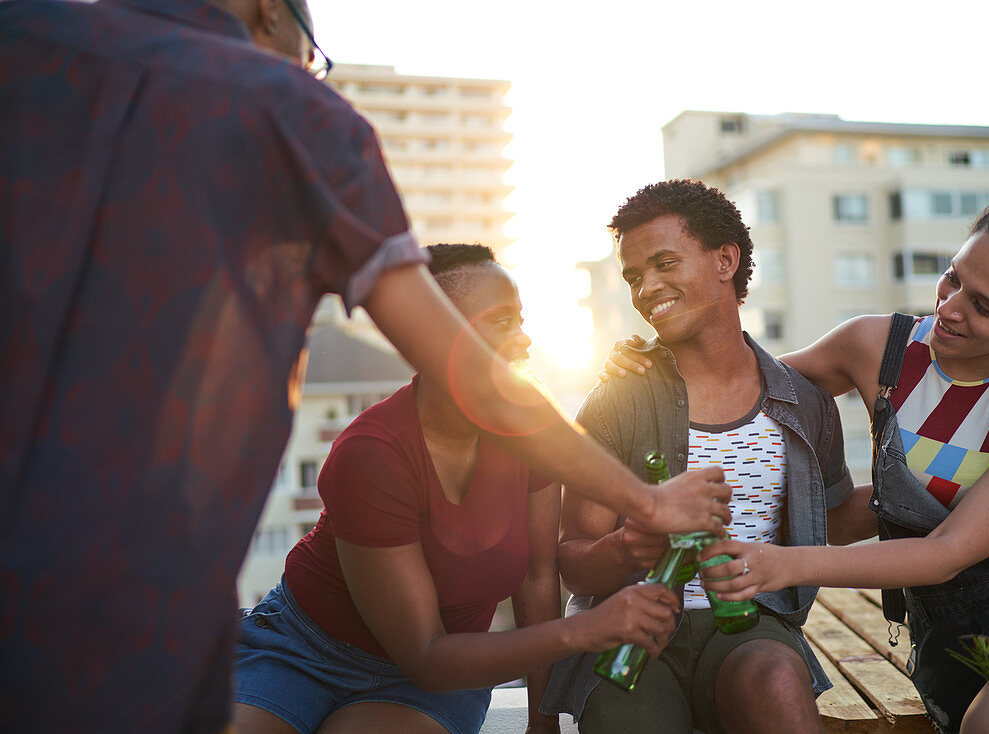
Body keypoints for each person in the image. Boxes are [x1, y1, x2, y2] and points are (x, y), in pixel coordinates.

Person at [0, 3, 730, 732]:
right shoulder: (291, 112)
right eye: (311, 53)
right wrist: (651, 504)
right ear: (266, 11)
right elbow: (479, 385)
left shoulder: (22, 39)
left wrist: (542, 719)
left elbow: (535, 568)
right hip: (175, 607)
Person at [606, 182, 989, 734]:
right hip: (949, 623)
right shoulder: (877, 346)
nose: (949, 309)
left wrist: (780, 564)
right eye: (953, 277)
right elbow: (740, 378)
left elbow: (946, 552)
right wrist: (652, 359)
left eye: (983, 306)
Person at [233, 245, 683, 734]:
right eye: (502, 321)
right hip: (304, 651)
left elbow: (536, 575)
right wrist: (589, 628)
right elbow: (425, 652)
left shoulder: (530, 428)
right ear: (437, 337)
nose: (525, 338)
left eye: (521, 319)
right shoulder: (372, 452)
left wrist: (542, 722)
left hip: (440, 677)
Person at [539, 180, 859, 734]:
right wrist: (630, 544)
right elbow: (572, 560)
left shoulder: (802, 402)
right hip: (632, 630)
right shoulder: (618, 399)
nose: (647, 289)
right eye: (635, 276)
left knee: (777, 682)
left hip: (750, 626)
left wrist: (944, 497)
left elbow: (831, 519)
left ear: (725, 260)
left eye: (665, 263)